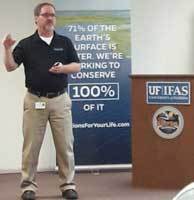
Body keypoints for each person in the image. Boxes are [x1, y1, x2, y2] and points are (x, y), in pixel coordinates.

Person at [2, 2, 80, 200]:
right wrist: (7, 49)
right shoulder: (27, 44)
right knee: (31, 147)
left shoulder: (65, 42)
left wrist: (63, 68)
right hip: (34, 99)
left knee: (65, 146)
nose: (50, 18)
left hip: (60, 100)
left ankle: (68, 185)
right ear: (36, 18)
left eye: (52, 15)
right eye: (45, 15)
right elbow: (10, 67)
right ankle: (28, 187)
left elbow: (77, 66)